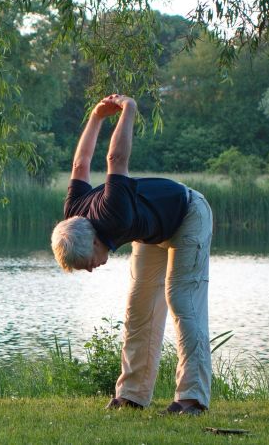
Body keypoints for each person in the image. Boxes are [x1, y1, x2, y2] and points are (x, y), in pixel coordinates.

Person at [50, 94, 213, 415]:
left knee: (182, 301)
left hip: (189, 214)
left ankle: (192, 398)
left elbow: (116, 159)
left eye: (87, 264)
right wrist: (95, 117)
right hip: (152, 230)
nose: (92, 270)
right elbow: (80, 164)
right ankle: (132, 394)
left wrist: (129, 111)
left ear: (94, 241)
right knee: (139, 308)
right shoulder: (73, 213)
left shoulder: (113, 214)